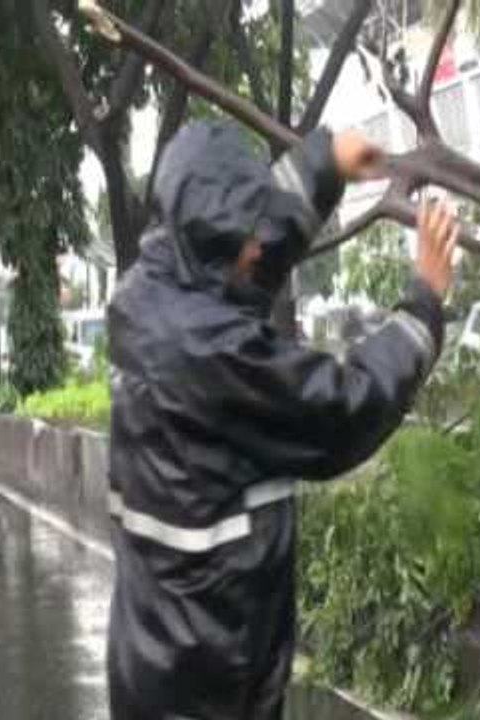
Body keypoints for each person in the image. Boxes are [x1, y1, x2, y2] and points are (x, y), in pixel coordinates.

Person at [106, 120, 459, 720]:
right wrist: (423, 303)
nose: (257, 247)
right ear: (208, 241)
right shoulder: (210, 351)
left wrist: (324, 162)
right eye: (243, 236)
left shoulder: (147, 295)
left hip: (158, 658)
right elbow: (343, 409)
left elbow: (245, 258)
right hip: (210, 685)